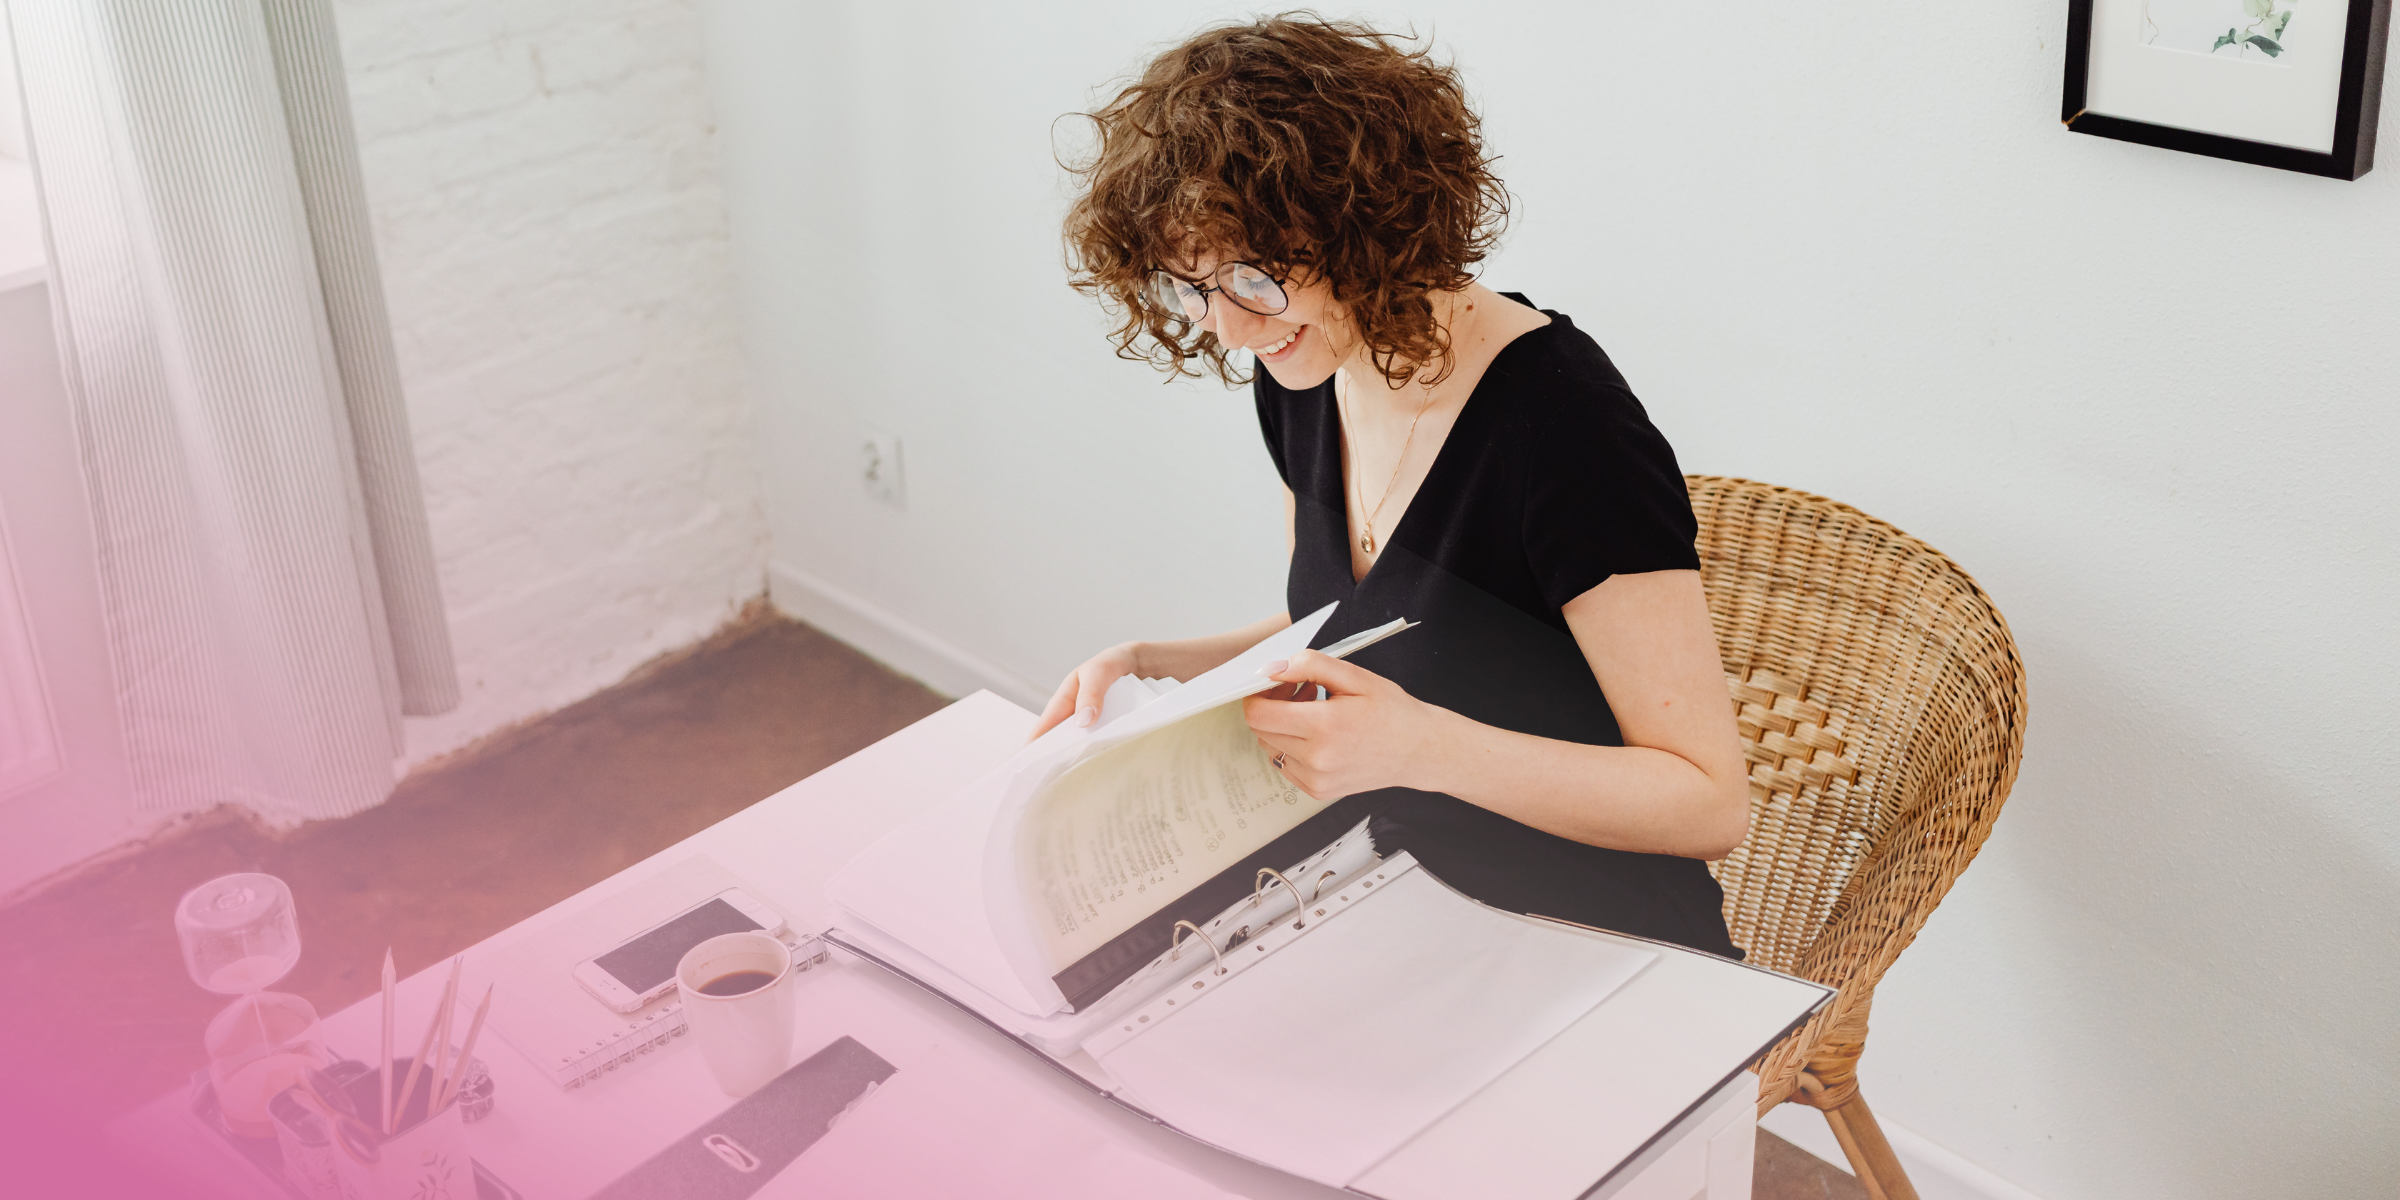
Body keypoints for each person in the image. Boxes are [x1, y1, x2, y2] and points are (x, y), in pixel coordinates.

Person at [1041, 17, 1750, 958]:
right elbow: (1358, 617)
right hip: (1393, 879)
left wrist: (1426, 749)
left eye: (1254, 276)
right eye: (1192, 287)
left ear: (1366, 222)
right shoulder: (1306, 371)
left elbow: (1708, 803)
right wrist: (1156, 661)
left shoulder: (1565, 425)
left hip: (1588, 928)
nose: (1230, 329)